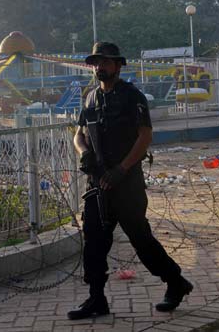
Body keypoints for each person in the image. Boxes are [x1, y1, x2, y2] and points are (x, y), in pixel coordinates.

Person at [68, 42, 193, 320]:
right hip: (98, 184)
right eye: (96, 62)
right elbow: (78, 135)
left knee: (141, 241)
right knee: (94, 244)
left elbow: (145, 136)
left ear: (118, 65)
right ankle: (96, 299)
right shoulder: (90, 98)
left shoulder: (131, 97)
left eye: (106, 62)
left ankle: (175, 282)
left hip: (127, 185)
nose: (100, 67)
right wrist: (84, 152)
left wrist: (122, 169)